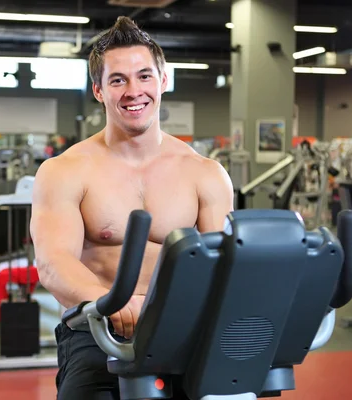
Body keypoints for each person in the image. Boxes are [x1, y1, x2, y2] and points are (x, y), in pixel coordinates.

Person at [30, 16, 234, 399]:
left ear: (163, 81)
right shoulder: (64, 171)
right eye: (117, 80)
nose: (133, 91)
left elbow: (220, 266)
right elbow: (54, 263)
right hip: (96, 333)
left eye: (144, 76)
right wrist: (110, 303)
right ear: (98, 90)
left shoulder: (205, 174)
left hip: (184, 331)